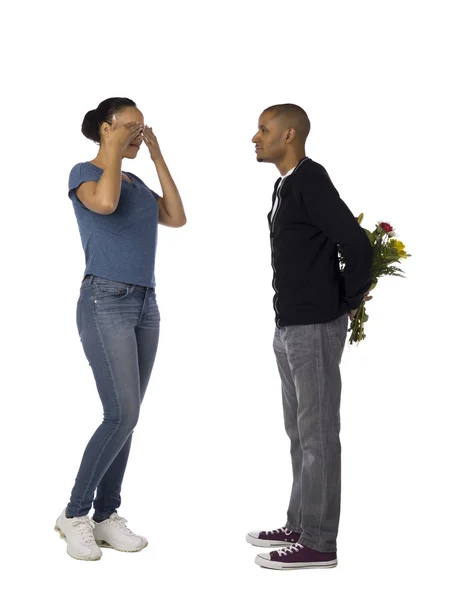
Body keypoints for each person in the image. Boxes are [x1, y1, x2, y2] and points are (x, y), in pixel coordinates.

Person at [55, 97, 186, 561]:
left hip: (146, 304)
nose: (138, 132)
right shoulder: (85, 174)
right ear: (106, 127)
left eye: (142, 126)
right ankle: (74, 514)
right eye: (130, 126)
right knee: (121, 415)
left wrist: (155, 153)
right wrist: (113, 147)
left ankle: (107, 515)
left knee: (127, 418)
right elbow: (105, 205)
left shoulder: (135, 181)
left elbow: (176, 216)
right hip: (104, 300)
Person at [246, 104, 373, 570]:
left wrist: (348, 300)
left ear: (289, 134)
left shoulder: (311, 178)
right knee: (300, 433)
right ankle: (301, 524)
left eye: (264, 130)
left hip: (315, 327)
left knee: (319, 434)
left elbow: (356, 245)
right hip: (289, 327)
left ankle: (320, 542)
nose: (255, 138)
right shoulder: (286, 185)